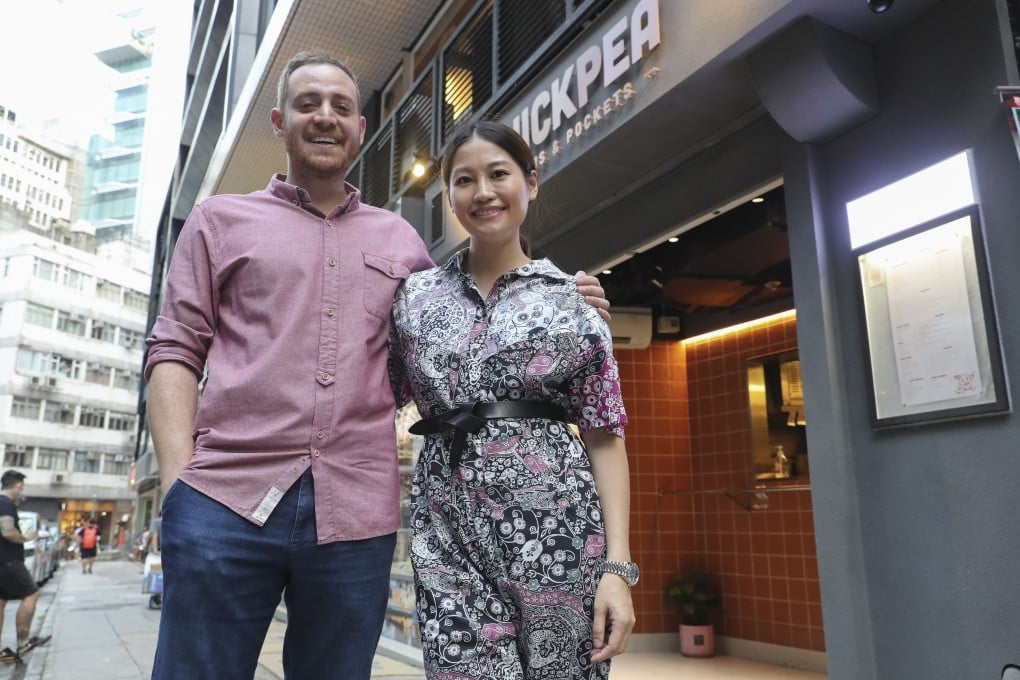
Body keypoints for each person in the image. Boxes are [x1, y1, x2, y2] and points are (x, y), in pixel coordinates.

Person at [144, 51, 609, 679]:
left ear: (360, 128)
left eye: (341, 106)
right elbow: (174, 350)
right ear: (280, 122)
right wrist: (177, 492)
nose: (325, 117)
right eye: (308, 103)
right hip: (224, 501)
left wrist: (560, 296)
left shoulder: (401, 243)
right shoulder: (219, 221)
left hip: (354, 514)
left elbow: (463, 329)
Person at [389, 120, 637, 679]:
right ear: (450, 196)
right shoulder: (414, 300)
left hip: (558, 531)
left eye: (498, 174)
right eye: (464, 180)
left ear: (530, 182)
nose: (483, 192)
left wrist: (617, 569)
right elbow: (372, 394)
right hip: (445, 531)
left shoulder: (572, 301)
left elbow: (604, 434)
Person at [0, 471, 51, 662]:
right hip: (9, 561)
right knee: (31, 594)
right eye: (22, 486)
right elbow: (6, 531)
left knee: (1, 600)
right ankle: (23, 643)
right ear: (18, 485)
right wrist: (26, 537)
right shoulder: (5, 503)